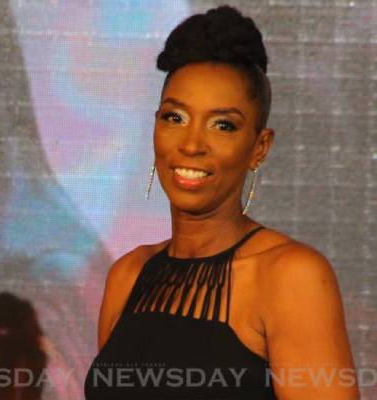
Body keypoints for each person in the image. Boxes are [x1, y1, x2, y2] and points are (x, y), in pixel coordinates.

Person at [85, 6, 358, 400]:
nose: (192, 144)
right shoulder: (128, 276)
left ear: (258, 147)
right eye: (175, 118)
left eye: (223, 125)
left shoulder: (290, 277)